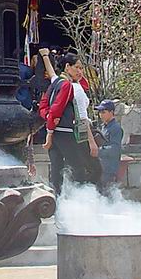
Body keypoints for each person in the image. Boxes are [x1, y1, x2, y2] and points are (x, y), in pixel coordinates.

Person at [38, 48, 99, 193]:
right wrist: (91, 142)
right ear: (67, 67)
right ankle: (81, 201)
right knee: (81, 169)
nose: (80, 71)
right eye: (77, 67)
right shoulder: (74, 88)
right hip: (68, 133)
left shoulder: (56, 83)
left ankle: (58, 205)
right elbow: (82, 118)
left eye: (82, 68)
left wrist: (45, 56)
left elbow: (44, 105)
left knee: (56, 172)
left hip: (56, 133)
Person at [95, 100, 124, 191]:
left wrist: (98, 151)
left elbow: (115, 148)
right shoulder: (103, 127)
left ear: (111, 112)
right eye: (100, 112)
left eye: (103, 112)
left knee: (108, 195)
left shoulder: (116, 128)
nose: (101, 114)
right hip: (101, 167)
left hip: (109, 169)